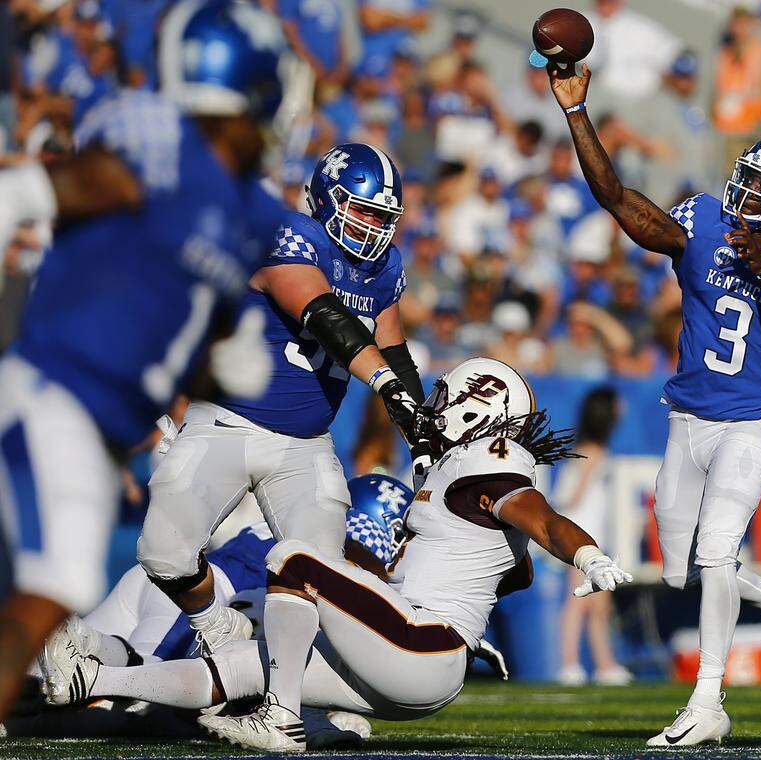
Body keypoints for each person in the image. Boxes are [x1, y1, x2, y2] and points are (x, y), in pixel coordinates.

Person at [43, 358, 633, 752]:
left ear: (482, 412)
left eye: (451, 398)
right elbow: (517, 571)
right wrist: (472, 593)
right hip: (411, 655)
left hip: (424, 644)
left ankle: (280, 714)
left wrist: (586, 555)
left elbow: (547, 523)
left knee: (295, 556)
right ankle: (97, 677)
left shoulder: (494, 463)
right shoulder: (460, 476)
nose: (437, 404)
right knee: (252, 661)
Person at [0, 0, 291, 720]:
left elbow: (191, 334)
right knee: (46, 593)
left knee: (45, 597)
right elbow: (46, 189)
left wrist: (222, 364)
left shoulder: (254, 214)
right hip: (53, 392)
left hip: (97, 427)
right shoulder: (162, 151)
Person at [548, 61, 761, 746]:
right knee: (686, 569)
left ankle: (708, 703)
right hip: (686, 419)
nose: (745, 191)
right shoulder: (705, 221)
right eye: (748, 175)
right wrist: (576, 113)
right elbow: (619, 199)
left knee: (717, 557)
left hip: (751, 422)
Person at [133, 142, 428, 749]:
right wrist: (386, 384)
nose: (372, 227)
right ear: (324, 200)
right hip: (229, 424)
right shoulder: (287, 234)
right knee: (163, 554)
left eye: (382, 216)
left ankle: (285, 710)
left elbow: (393, 346)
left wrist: (419, 429)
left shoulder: (386, 267)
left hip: (305, 446)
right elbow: (324, 315)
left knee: (312, 577)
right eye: (361, 210)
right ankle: (216, 624)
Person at [24, 474, 413, 748]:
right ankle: (72, 645)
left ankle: (64, 646)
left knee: (38, 683)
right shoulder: (335, 547)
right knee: (134, 705)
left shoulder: (308, 519)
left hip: (180, 591)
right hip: (197, 601)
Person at [554, 387, 631, 686]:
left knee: (600, 605)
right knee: (577, 602)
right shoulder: (594, 452)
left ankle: (605, 665)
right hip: (582, 541)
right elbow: (573, 497)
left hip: (594, 540)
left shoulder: (593, 449)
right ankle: (569, 665)